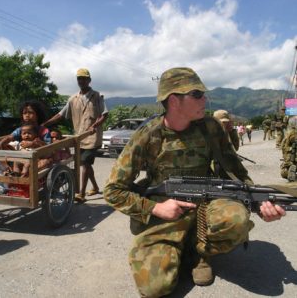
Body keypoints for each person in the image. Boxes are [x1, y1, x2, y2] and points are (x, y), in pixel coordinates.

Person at [104, 67, 286, 297]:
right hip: (166, 212)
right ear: (174, 100)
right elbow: (113, 190)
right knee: (155, 288)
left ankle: (199, 252)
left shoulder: (210, 127)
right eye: (197, 94)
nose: (205, 99)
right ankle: (176, 246)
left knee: (235, 219)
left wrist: (259, 202)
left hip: (207, 202)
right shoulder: (148, 135)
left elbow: (235, 171)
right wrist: (155, 207)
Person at [42, 68, 108, 202]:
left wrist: (95, 125)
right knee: (87, 164)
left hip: (93, 136)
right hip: (79, 137)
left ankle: (81, 193)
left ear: (89, 80)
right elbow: (60, 115)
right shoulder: (73, 99)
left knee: (84, 162)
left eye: (84, 78)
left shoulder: (97, 96)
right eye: (79, 78)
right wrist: (45, 124)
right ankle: (95, 187)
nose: (81, 81)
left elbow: (105, 114)